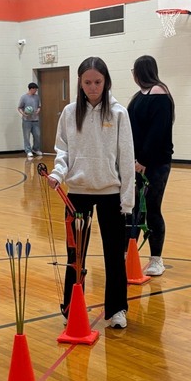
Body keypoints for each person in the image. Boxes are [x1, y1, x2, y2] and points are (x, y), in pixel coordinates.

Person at [47, 57, 134, 329]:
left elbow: (126, 157)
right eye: (87, 82)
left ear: (106, 81)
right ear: (80, 83)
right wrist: (58, 174)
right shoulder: (70, 113)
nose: (93, 87)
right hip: (78, 193)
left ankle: (117, 309)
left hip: (111, 194)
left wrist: (127, 200)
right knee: (76, 255)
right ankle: (72, 306)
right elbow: (63, 151)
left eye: (98, 82)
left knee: (113, 255)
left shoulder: (119, 113)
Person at [128, 55, 174, 276]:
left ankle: (156, 259)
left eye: (134, 70)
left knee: (152, 209)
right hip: (135, 163)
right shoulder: (139, 95)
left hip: (154, 165)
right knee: (134, 209)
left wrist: (143, 161)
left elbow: (157, 133)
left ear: (141, 71)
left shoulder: (159, 94)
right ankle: (130, 253)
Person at [18, 82, 42, 158]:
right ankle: (28, 150)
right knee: (26, 136)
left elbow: (39, 106)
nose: (36, 91)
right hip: (26, 120)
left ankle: (35, 149)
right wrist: (23, 114)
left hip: (35, 120)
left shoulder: (37, 97)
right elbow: (19, 108)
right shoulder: (24, 97)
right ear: (31, 89)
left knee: (37, 135)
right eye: (35, 89)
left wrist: (38, 110)